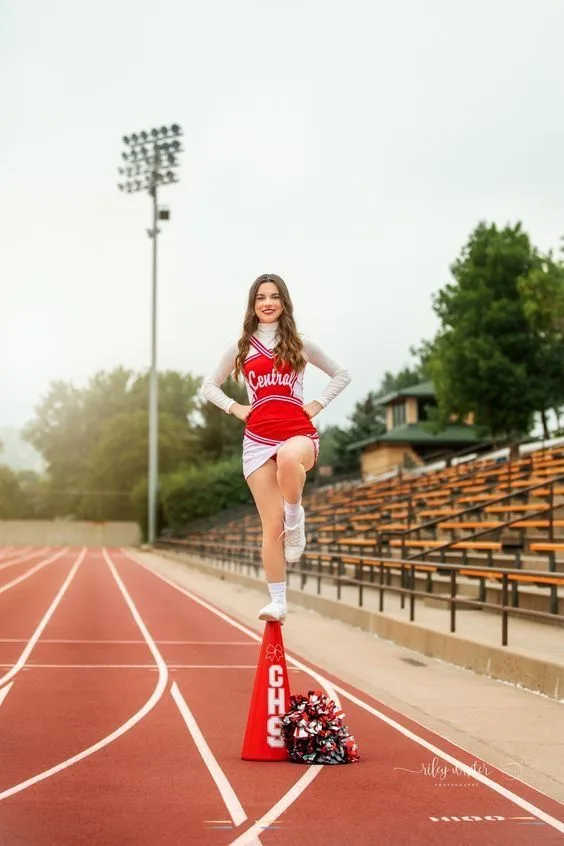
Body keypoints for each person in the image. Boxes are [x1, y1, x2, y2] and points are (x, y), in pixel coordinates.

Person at [200, 273, 351, 623]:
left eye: (274, 296)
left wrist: (319, 403)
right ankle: (278, 602)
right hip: (256, 440)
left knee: (287, 461)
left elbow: (341, 374)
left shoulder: (298, 342)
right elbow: (209, 385)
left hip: (298, 434)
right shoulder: (242, 346)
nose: (268, 303)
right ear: (253, 305)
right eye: (260, 298)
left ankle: (296, 515)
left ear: (284, 302)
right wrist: (235, 408)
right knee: (271, 527)